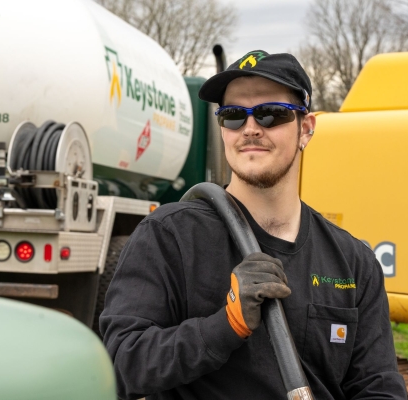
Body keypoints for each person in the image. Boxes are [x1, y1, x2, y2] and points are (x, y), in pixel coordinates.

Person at [100, 50, 407, 399]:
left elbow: (378, 388)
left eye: (270, 114)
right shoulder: (169, 236)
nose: (249, 128)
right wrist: (224, 326)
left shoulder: (354, 262)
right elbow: (121, 364)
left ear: (305, 129)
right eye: (233, 115)